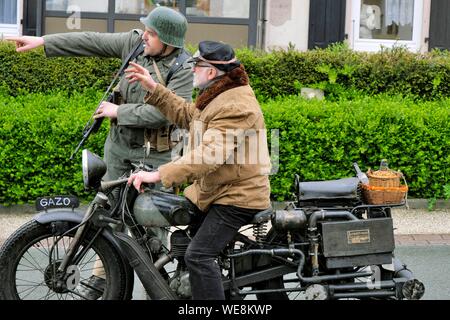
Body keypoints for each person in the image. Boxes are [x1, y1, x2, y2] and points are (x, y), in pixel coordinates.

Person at [7, 6, 194, 299]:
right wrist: (44, 41)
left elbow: (167, 114)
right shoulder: (134, 43)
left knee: (151, 226)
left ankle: (156, 290)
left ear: (169, 41)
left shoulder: (183, 68)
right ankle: (100, 284)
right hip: (119, 147)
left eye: (152, 33)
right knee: (106, 217)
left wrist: (119, 110)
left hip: (157, 154)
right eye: (145, 29)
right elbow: (92, 41)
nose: (145, 35)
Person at [125, 41, 272, 300]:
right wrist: (153, 88)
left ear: (212, 72)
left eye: (196, 66)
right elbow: (188, 115)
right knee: (186, 238)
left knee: (199, 255)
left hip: (237, 197)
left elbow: (209, 154)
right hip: (217, 191)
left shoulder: (235, 105)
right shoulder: (219, 95)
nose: (192, 70)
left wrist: (160, 174)